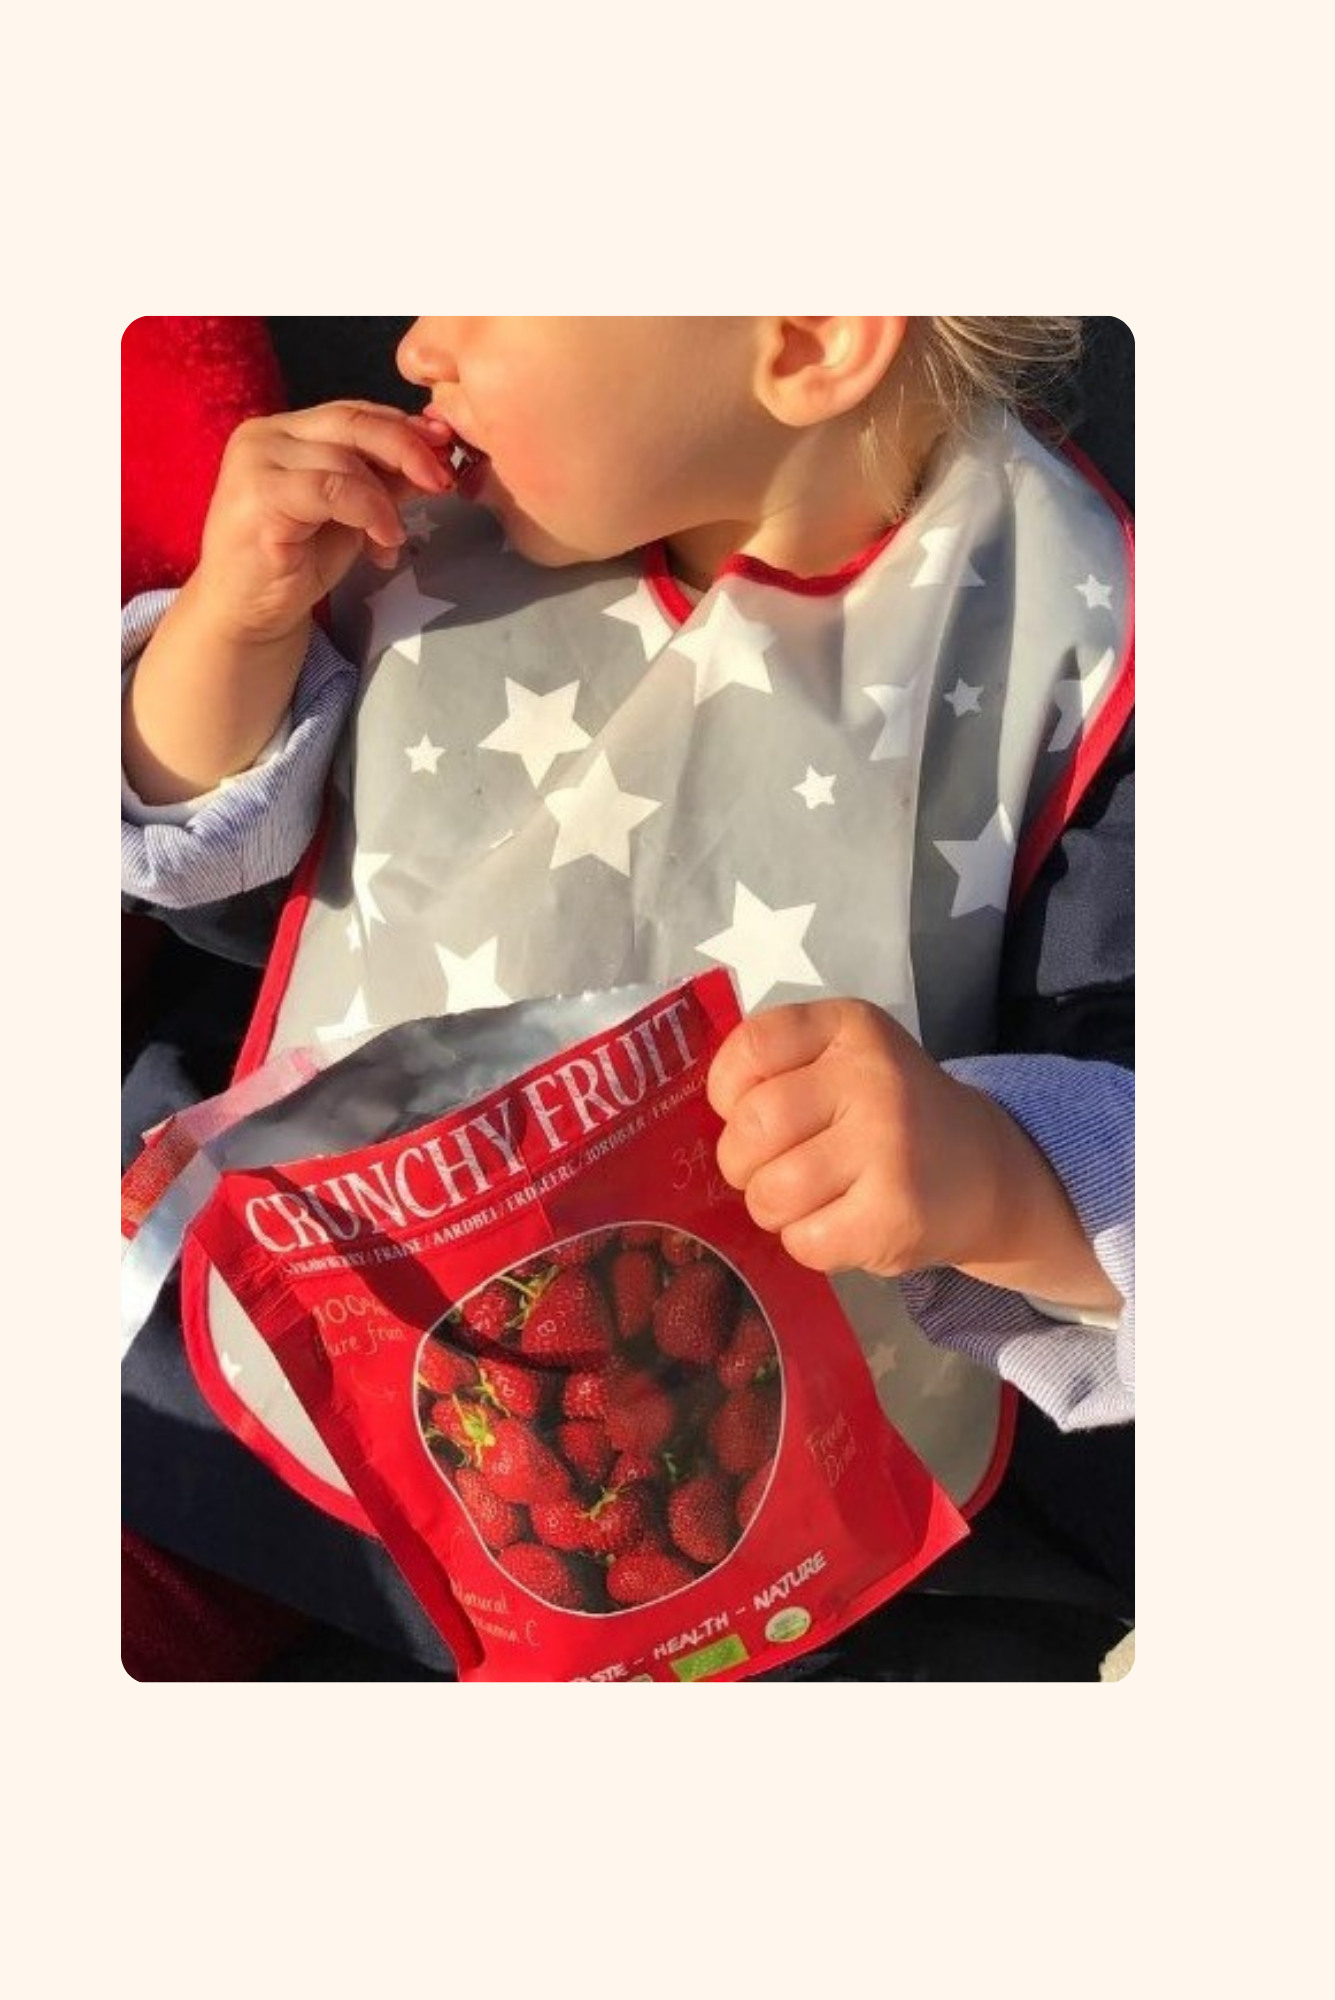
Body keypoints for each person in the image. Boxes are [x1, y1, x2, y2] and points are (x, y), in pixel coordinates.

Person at [122, 316, 1134, 1680]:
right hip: (260, 1372)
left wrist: (999, 1180)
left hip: (773, 1516)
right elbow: (210, 878)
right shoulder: (417, 533)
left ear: (811, 336)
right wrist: (228, 628)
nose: (418, 346)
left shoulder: (1062, 646)